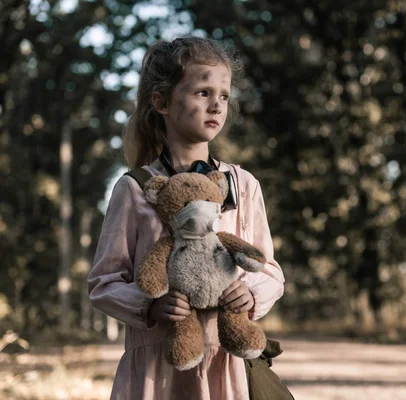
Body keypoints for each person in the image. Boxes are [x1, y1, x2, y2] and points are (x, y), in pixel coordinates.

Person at [88, 37, 285, 400]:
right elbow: (103, 283)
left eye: (224, 95)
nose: (216, 105)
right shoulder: (134, 189)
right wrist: (149, 304)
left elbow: (270, 270)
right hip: (157, 372)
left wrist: (252, 295)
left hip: (226, 369)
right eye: (202, 93)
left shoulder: (242, 184)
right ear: (161, 101)